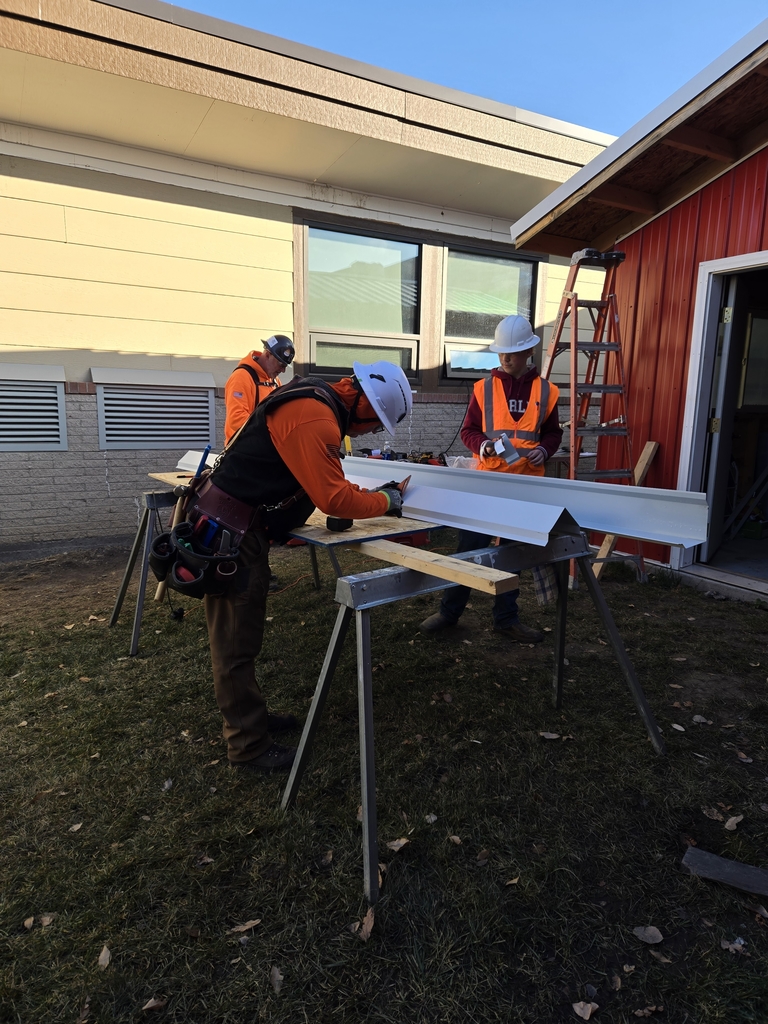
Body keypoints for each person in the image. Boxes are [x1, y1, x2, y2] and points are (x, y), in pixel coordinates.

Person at [203, 361, 412, 772]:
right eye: (375, 425)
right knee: (234, 644)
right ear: (367, 404)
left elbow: (327, 479)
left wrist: (366, 494)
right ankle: (247, 746)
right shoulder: (317, 417)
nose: (369, 433)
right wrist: (388, 502)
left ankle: (252, 719)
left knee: (242, 639)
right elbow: (333, 499)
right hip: (231, 533)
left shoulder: (317, 401)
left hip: (238, 524)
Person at [420, 314, 562, 641]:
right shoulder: (484, 388)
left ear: (529, 351)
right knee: (469, 549)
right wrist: (482, 445)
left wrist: (546, 450)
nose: (506, 357)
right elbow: (470, 431)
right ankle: (449, 612)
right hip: (485, 484)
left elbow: (553, 434)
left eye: (512, 352)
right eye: (501, 352)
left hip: (524, 486)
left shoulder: (546, 391)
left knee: (511, 556)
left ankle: (506, 619)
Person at [223, 334, 295, 445]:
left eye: (285, 366)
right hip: (241, 451)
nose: (283, 370)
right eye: (281, 364)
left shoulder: (275, 381)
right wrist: (270, 429)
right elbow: (236, 418)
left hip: (262, 448)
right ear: (267, 354)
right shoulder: (241, 377)